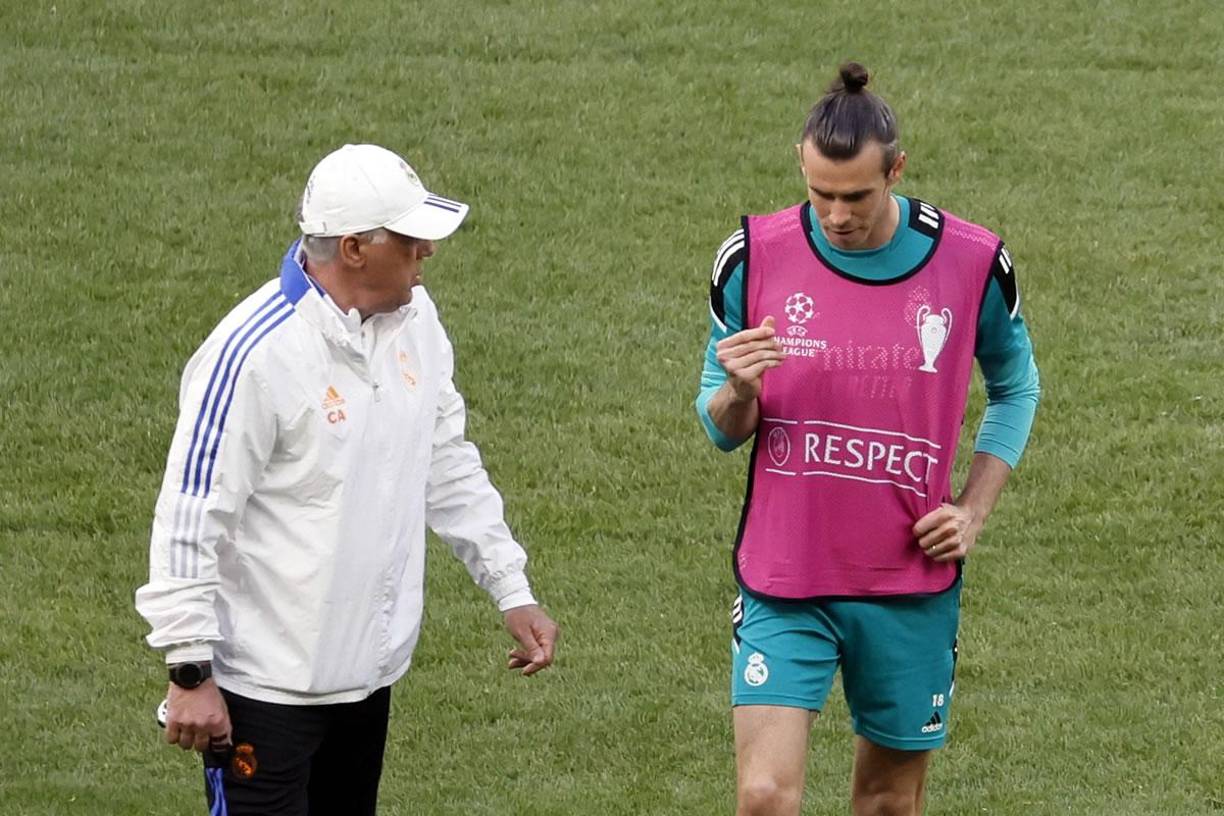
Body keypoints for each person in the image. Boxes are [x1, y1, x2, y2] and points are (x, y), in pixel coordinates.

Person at [135, 143, 558, 815]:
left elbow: (445, 460)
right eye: (412, 237)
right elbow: (192, 516)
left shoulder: (416, 322)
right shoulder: (254, 354)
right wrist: (188, 669)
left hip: (366, 683)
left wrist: (511, 586)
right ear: (356, 248)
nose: (428, 250)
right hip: (263, 694)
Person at [695, 63, 1040, 816]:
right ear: (800, 166)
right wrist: (739, 391)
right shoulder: (751, 257)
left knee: (886, 803)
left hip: (907, 581)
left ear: (896, 170)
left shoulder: (973, 261)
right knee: (761, 796)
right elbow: (719, 426)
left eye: (856, 195)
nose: (837, 214)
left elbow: (1018, 388)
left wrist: (974, 511)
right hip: (785, 576)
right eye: (821, 194)